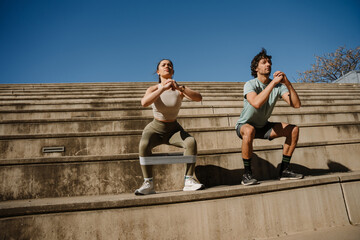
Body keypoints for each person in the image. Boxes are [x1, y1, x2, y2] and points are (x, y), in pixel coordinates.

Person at [135, 59, 205, 195]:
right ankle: (148, 183)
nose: (167, 66)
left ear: (173, 71)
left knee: (191, 142)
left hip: (174, 129)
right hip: (155, 128)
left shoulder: (179, 90)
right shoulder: (153, 89)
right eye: (163, 65)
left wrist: (180, 88)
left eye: (170, 65)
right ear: (158, 71)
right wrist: (162, 88)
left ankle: (189, 180)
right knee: (143, 145)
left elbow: (199, 98)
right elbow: (144, 103)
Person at [235, 48, 303, 186]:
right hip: (245, 125)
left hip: (263, 126)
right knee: (249, 130)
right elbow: (256, 103)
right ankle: (247, 174)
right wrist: (273, 83)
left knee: (293, 130)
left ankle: (284, 170)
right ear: (256, 68)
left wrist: (287, 83)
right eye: (264, 62)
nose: (268, 65)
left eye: (269, 62)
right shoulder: (250, 84)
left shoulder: (278, 87)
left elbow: (296, 105)